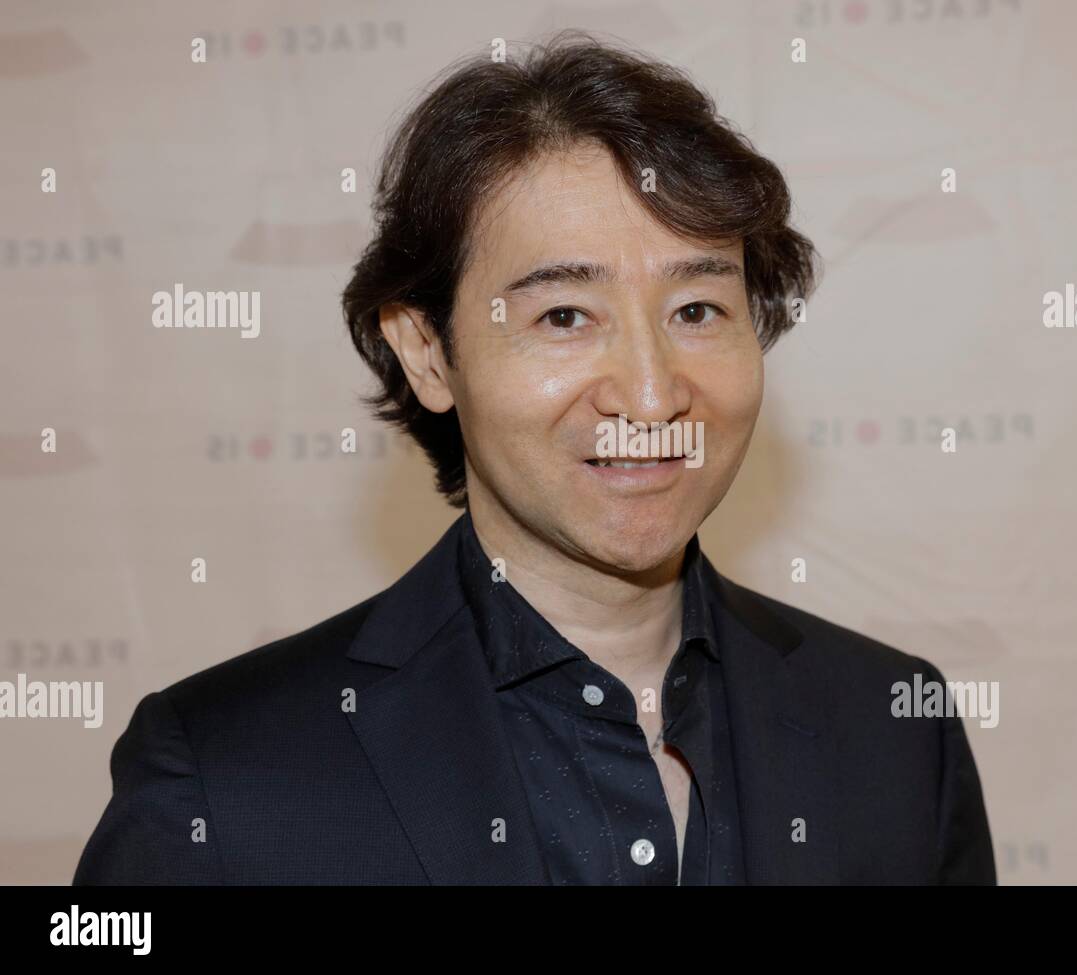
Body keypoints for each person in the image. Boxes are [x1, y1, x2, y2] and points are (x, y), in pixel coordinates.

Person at [74, 30, 995, 885]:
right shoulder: (223, 775)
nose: (649, 393)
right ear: (428, 352)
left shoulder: (896, 726)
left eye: (697, 310)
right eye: (563, 316)